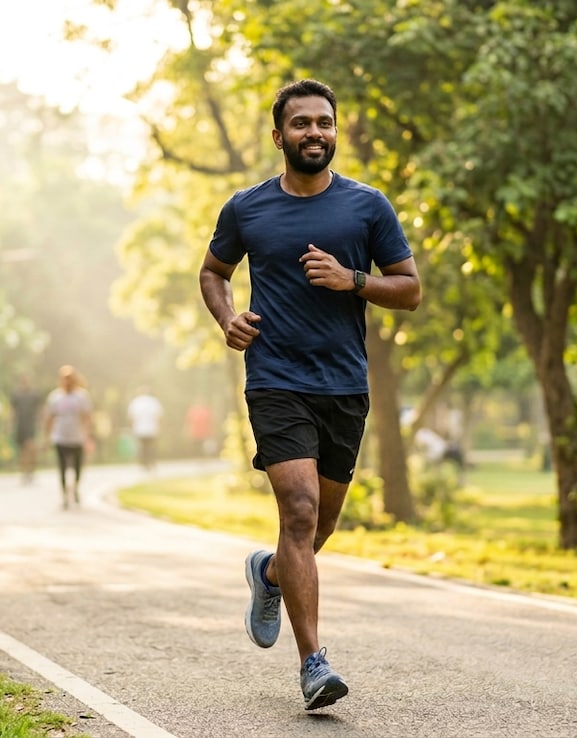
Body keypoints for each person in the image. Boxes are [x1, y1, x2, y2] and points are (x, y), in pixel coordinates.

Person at [198, 79, 421, 711]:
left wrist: (353, 280)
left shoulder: (367, 206)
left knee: (319, 526)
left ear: (335, 131)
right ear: (279, 136)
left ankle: (269, 573)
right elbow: (213, 273)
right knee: (297, 513)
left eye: (324, 122)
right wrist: (227, 319)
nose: (314, 133)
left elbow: (409, 288)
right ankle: (313, 664)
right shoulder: (246, 208)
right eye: (301, 124)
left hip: (345, 386)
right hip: (274, 380)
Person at [42, 365, 93, 510]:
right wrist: (46, 437)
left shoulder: (82, 396)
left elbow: (87, 417)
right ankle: (64, 495)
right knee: (62, 468)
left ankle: (75, 488)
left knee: (77, 468)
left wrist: (88, 435)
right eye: (64, 379)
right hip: (60, 437)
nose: (67, 382)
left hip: (77, 437)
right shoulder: (55, 397)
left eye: (70, 379)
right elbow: (49, 418)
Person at [9, 374, 42, 484]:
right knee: (23, 451)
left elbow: (40, 410)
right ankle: (24, 472)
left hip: (31, 425)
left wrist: (41, 423)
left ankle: (31, 471)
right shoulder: (16, 395)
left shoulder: (34, 395)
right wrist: (10, 425)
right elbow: (13, 411)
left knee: (31, 448)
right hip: (20, 426)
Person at [126, 386, 164, 471]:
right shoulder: (153, 402)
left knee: (142, 447)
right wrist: (159, 426)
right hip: (151, 428)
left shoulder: (135, 402)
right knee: (150, 446)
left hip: (139, 428)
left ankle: (144, 463)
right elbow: (159, 416)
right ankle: (151, 462)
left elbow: (131, 417)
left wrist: (131, 426)